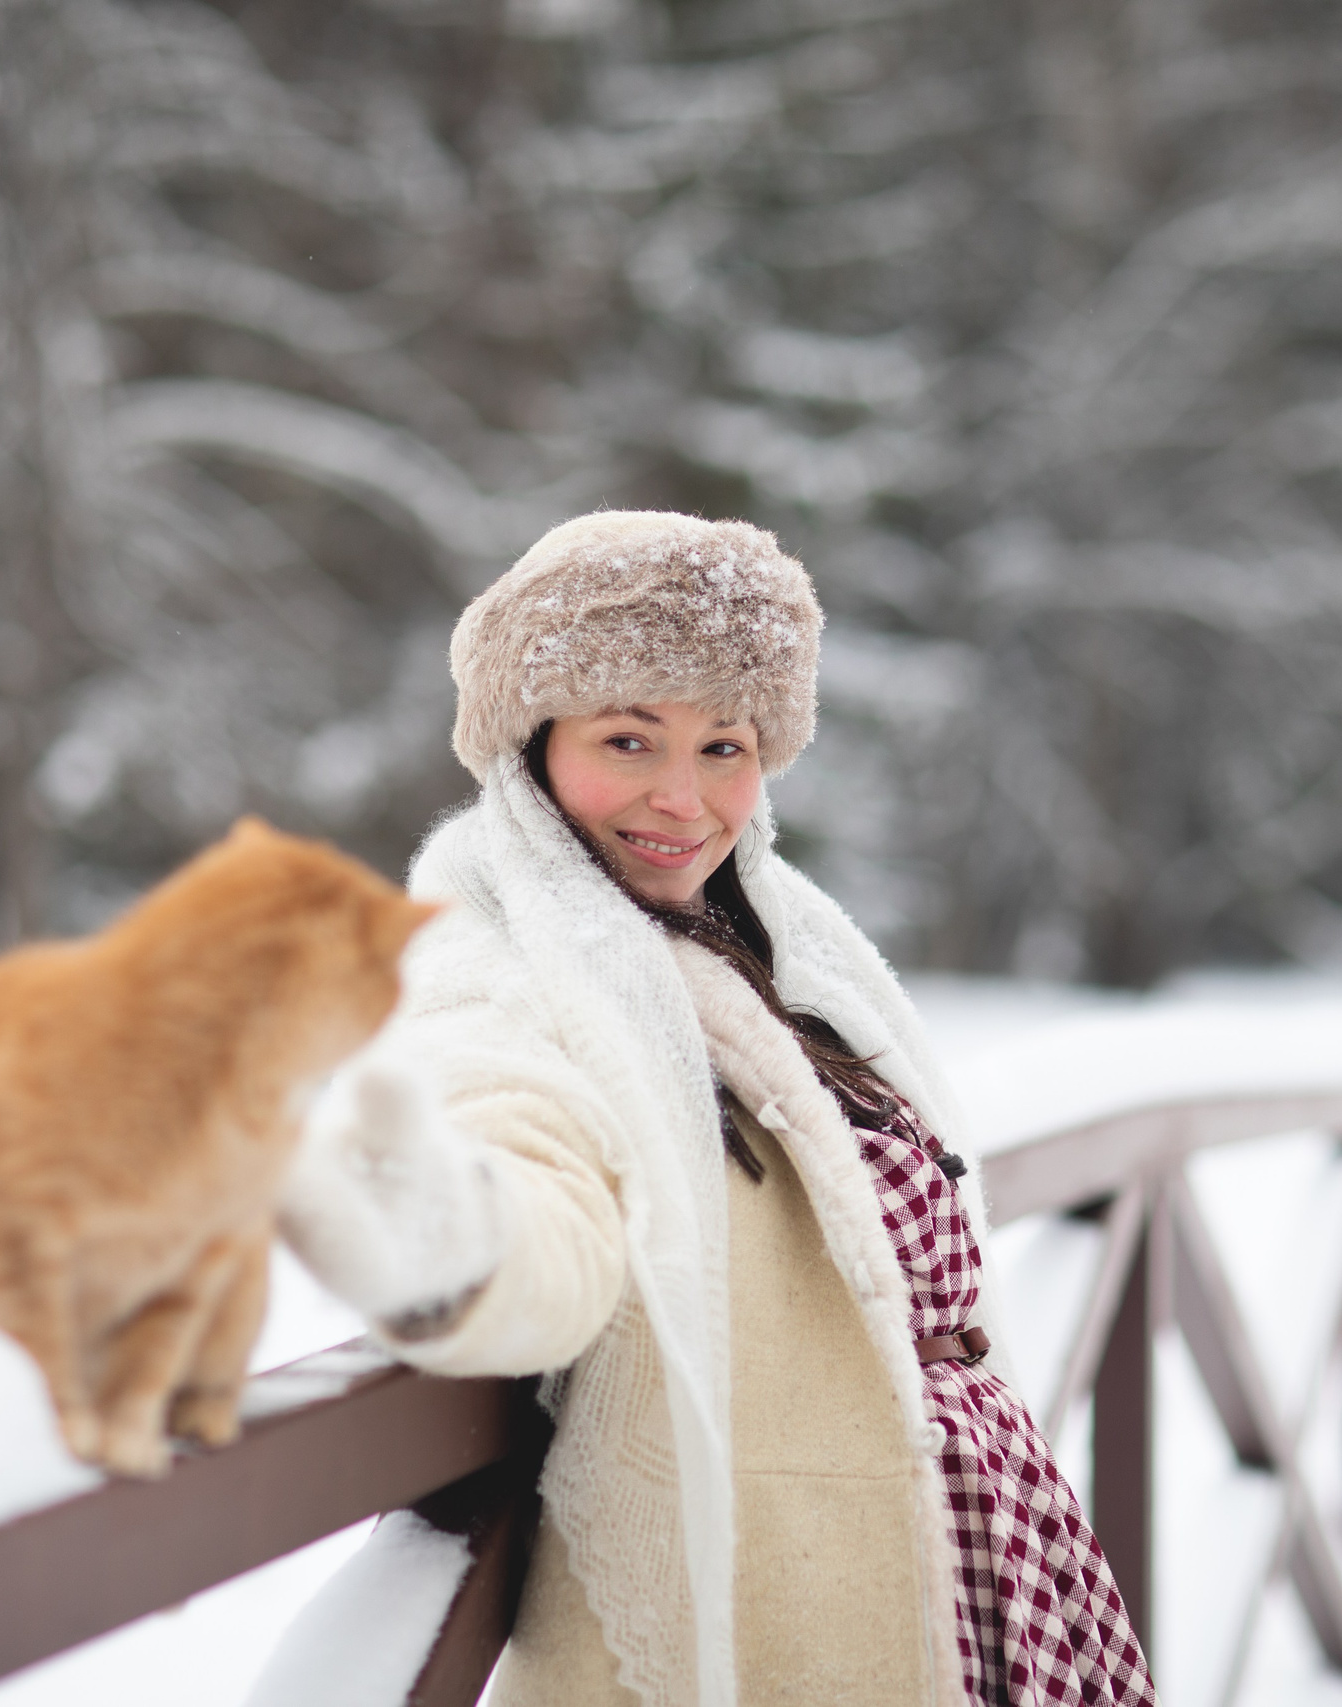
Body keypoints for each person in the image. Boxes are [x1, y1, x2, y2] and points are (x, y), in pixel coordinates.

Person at [276, 511, 1155, 1707]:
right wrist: (451, 1230)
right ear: (528, 747)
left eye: (724, 747)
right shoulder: (501, 963)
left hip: (980, 1537)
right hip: (789, 1574)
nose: (682, 799)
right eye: (629, 740)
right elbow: (523, 1162)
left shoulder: (780, 937)